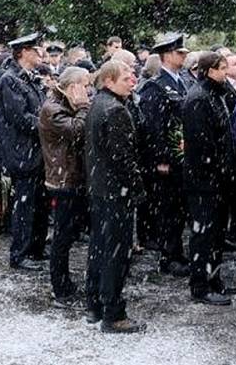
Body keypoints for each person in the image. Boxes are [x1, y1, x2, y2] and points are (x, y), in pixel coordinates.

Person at [85, 60, 146, 333]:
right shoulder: (115, 110)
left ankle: (96, 305)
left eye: (132, 76)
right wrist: (136, 189)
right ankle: (113, 313)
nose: (132, 80)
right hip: (114, 192)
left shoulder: (99, 103)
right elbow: (123, 159)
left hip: (101, 189)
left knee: (100, 249)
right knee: (115, 254)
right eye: (125, 77)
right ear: (108, 81)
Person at [181, 52, 235, 306]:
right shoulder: (198, 98)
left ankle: (214, 278)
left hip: (217, 178)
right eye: (222, 68)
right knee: (204, 234)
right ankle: (201, 285)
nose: (226, 73)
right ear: (209, 70)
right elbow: (202, 144)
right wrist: (215, 171)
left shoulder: (216, 94)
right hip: (204, 181)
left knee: (215, 234)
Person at [138, 32, 190, 277]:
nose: (184, 56)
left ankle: (176, 251)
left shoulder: (182, 82)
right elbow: (153, 128)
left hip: (181, 158)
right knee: (168, 210)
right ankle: (169, 256)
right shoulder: (155, 87)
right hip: (168, 161)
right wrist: (161, 159)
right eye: (180, 53)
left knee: (179, 209)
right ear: (167, 56)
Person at [39, 66, 91, 307]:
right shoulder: (52, 109)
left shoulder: (63, 105)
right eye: (85, 86)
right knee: (62, 236)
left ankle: (65, 282)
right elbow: (77, 131)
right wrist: (82, 108)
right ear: (72, 87)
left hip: (72, 177)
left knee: (69, 234)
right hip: (62, 181)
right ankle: (60, 288)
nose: (88, 92)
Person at [0, 32, 50, 272]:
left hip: (37, 151)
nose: (40, 54)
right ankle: (19, 253)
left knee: (39, 204)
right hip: (23, 151)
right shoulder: (10, 80)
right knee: (26, 205)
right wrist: (48, 124)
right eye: (35, 50)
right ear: (24, 53)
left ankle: (36, 248)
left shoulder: (30, 78)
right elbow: (19, 117)